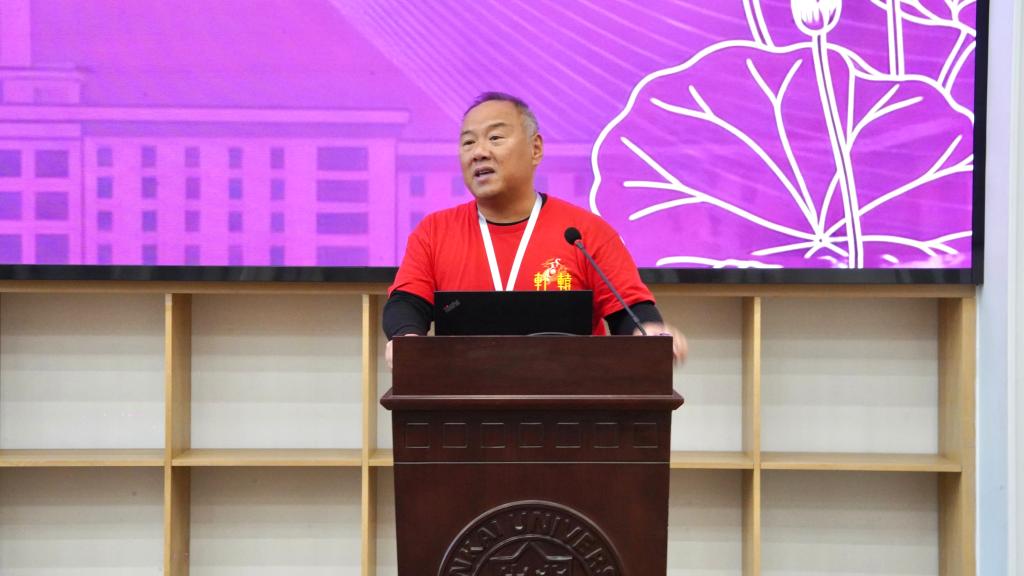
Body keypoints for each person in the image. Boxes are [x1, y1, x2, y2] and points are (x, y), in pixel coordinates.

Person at [383, 92, 687, 368]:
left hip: (571, 399)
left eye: (495, 137)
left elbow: (629, 311)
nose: (479, 152)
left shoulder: (585, 232)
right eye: (468, 143)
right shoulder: (434, 232)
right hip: (463, 395)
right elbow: (407, 303)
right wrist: (406, 337)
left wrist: (648, 331)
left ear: (535, 148)